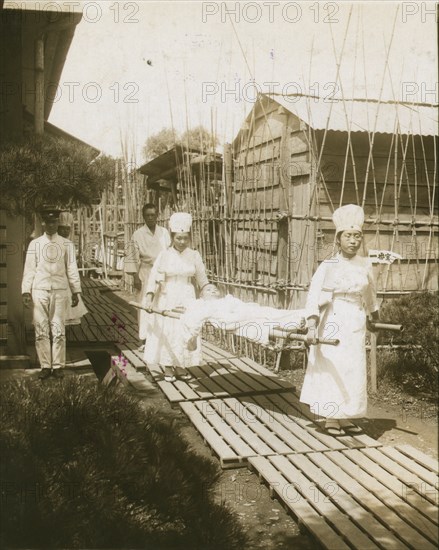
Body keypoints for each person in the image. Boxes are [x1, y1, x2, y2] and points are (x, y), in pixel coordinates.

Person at [299, 204, 379, 436]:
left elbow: (370, 294)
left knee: (353, 368)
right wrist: (312, 324)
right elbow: (314, 296)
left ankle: (347, 416)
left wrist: (374, 316)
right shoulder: (330, 265)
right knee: (333, 366)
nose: (353, 241)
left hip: (355, 320)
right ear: (338, 239)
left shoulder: (365, 265)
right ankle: (331, 417)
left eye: (357, 236)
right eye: (348, 236)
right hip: (333, 318)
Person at [142, 212, 209, 382]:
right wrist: (150, 297)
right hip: (168, 295)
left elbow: (202, 279)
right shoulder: (165, 255)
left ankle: (181, 366)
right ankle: (168, 367)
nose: (182, 242)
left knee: (185, 329)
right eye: (179, 238)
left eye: (185, 238)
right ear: (173, 237)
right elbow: (155, 277)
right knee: (169, 330)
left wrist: (209, 293)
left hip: (187, 295)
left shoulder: (194, 255)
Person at [22, 206, 82, 379]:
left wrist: (76, 291)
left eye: (54, 221)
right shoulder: (35, 244)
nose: (51, 225)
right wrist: (26, 292)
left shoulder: (66, 244)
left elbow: (72, 269)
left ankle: (58, 366)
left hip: (60, 291)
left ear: (58, 222)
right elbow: (29, 269)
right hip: (39, 290)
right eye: (47, 222)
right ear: (43, 223)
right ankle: (45, 366)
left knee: (58, 329)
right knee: (41, 329)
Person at [180, 283, 306, 351]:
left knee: (265, 314)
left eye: (215, 289)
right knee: (263, 313)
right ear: (201, 295)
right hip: (225, 320)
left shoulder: (226, 300)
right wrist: (192, 337)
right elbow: (194, 318)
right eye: (208, 290)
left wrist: (247, 308)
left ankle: (296, 319)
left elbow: (240, 306)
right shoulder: (203, 304)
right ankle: (300, 317)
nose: (213, 290)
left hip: (238, 315)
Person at [124, 203, 171, 349]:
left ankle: (160, 338)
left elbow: (169, 253)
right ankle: (144, 339)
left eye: (153, 215)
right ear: (143, 217)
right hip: (145, 271)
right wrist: (135, 277)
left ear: (157, 216)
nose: (150, 218)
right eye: (147, 215)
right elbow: (132, 257)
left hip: (163, 272)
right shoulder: (137, 234)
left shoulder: (164, 233)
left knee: (161, 303)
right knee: (144, 304)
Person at [57, 211, 88, 326]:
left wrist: (75, 289)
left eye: (67, 229)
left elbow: (72, 267)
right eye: (62, 229)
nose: (65, 231)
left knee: (66, 313)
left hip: (65, 280)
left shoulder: (69, 244)